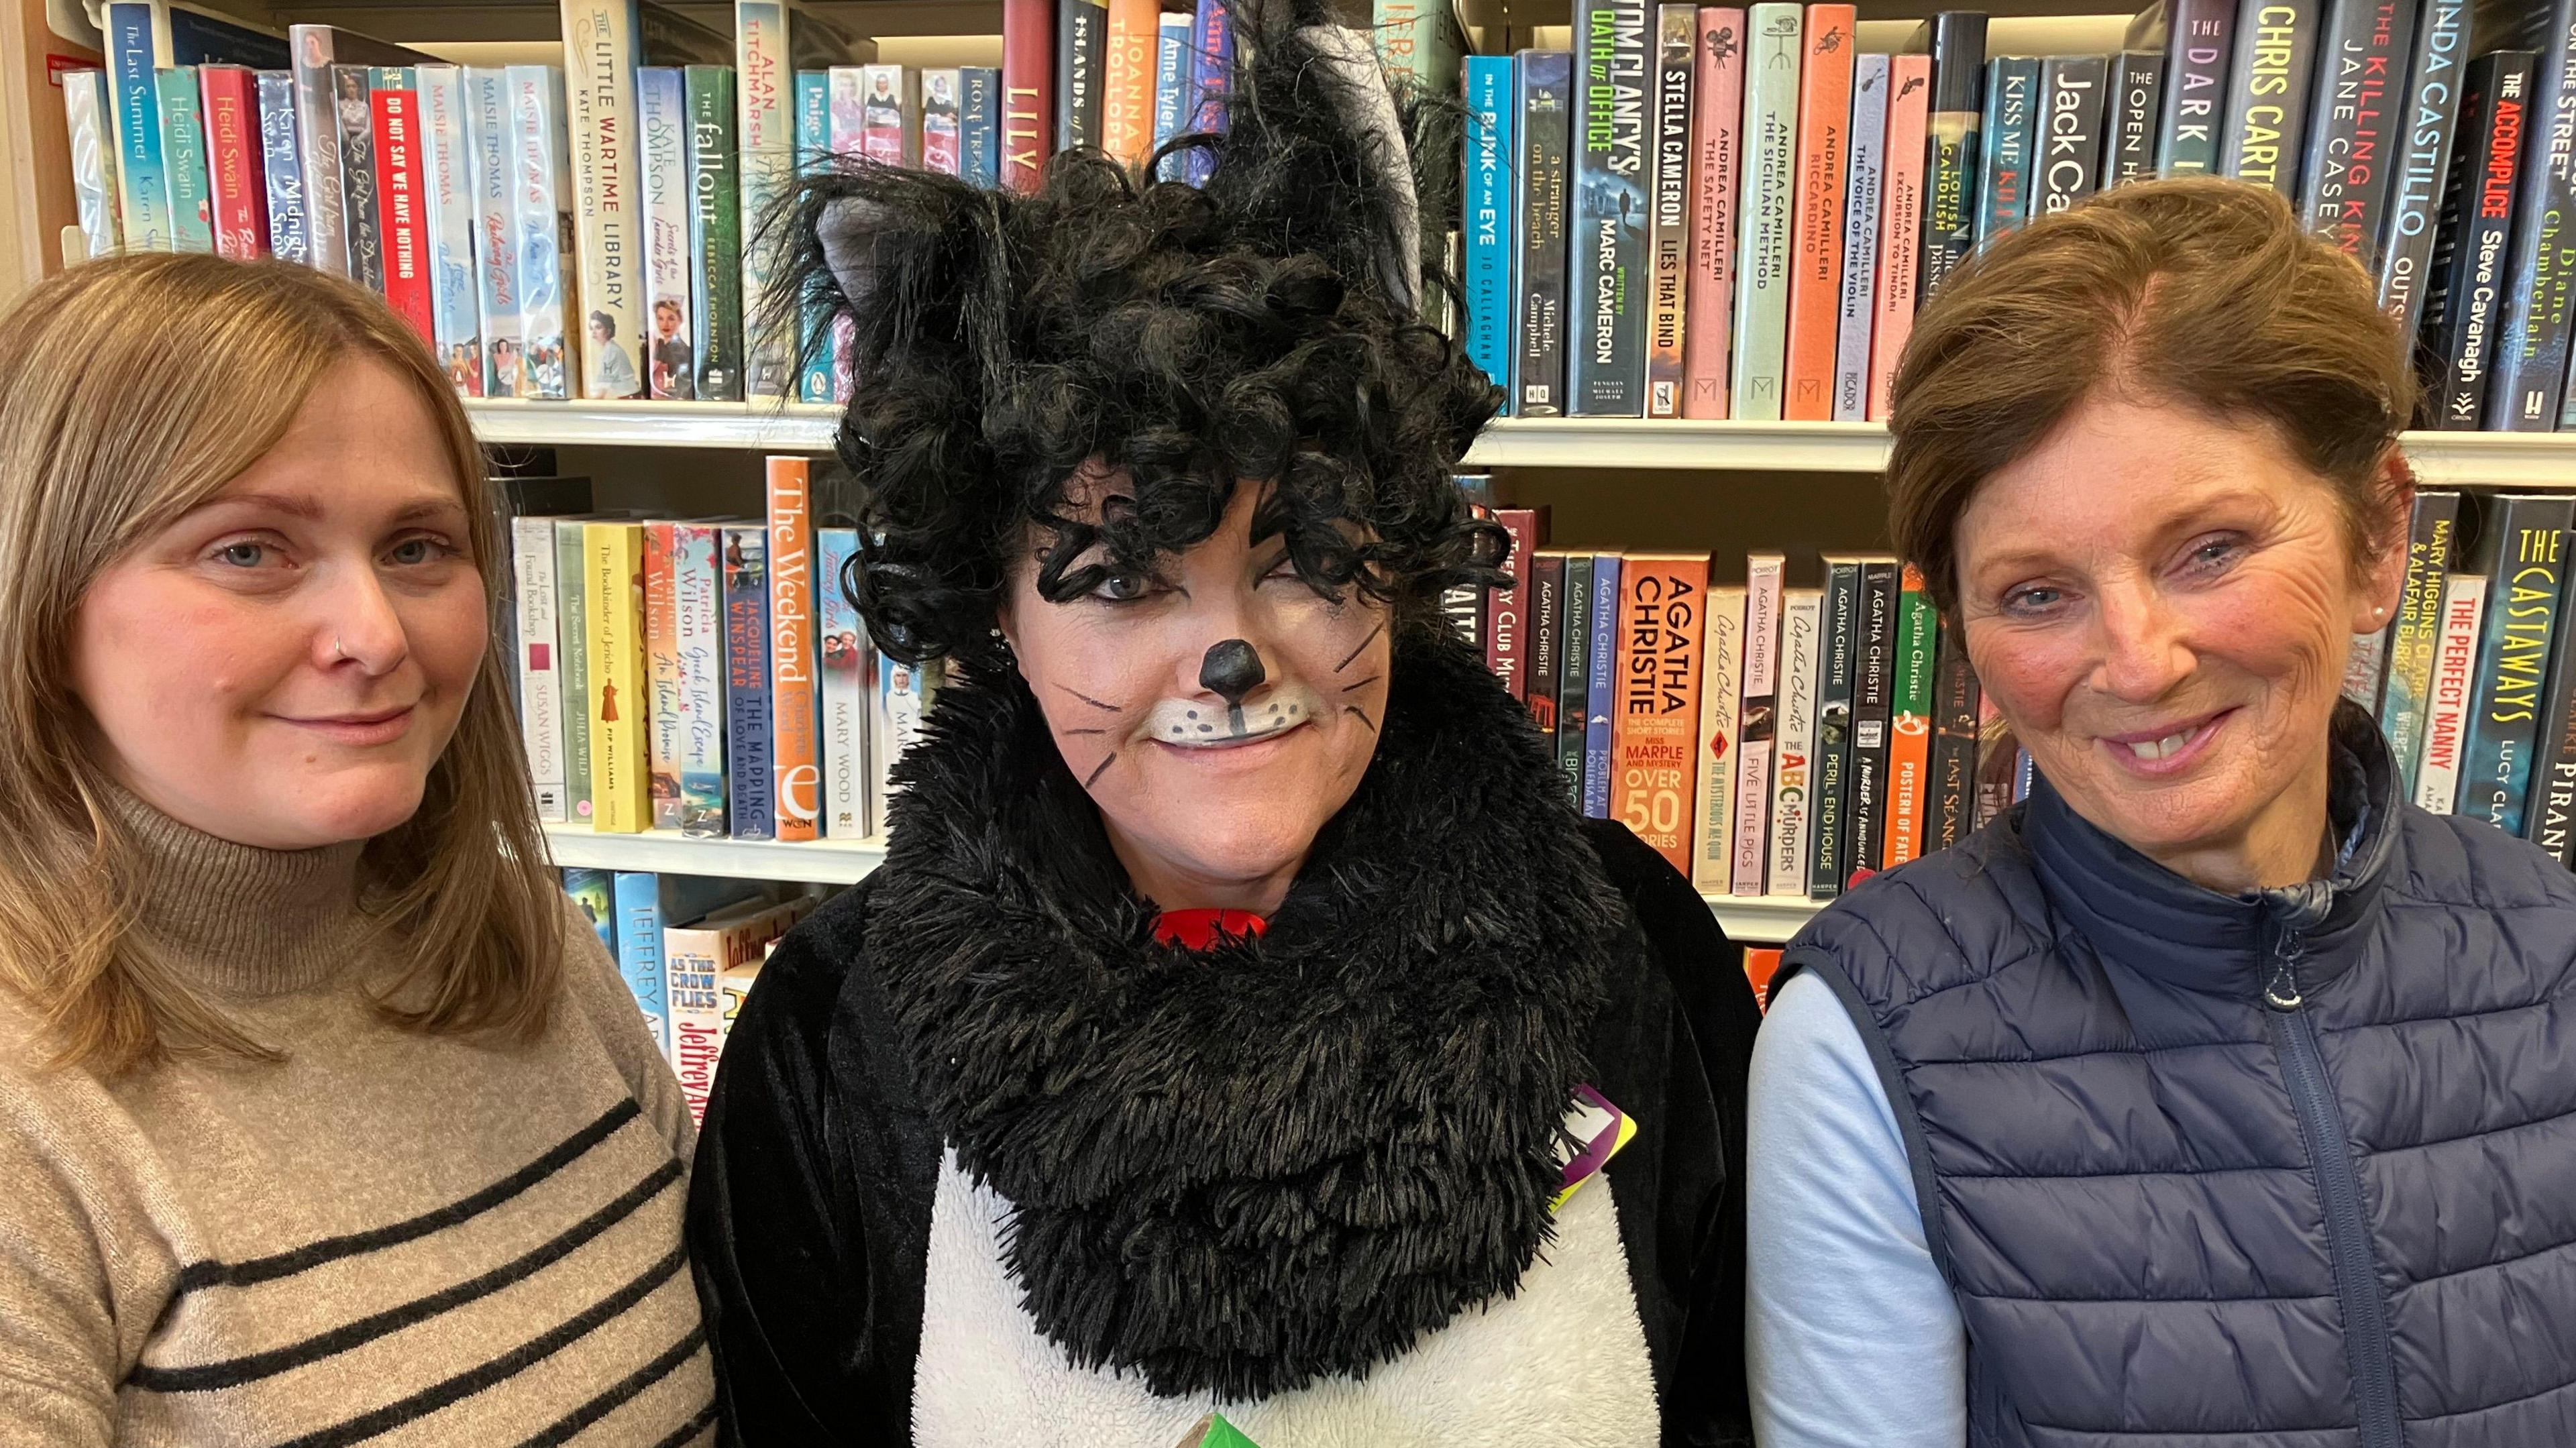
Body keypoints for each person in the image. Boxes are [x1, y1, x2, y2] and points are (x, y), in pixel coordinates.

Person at [686, 4, 1762, 1443]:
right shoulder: (837, 1037)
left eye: (1305, 553)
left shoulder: (1632, 951)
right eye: (1124, 580)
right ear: (997, 617)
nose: (1235, 658)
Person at [1746, 178, 2576, 1446]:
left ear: (2379, 537)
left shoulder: (2556, 947)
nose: (2137, 663)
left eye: (2212, 549)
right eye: (2035, 594)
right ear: (1959, 631)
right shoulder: (1862, 1040)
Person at [0, 255, 711, 1446]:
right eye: (250, 551)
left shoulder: (516, 939)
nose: (376, 636)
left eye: (419, 548)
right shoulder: (33, 1122)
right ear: (41, 596)